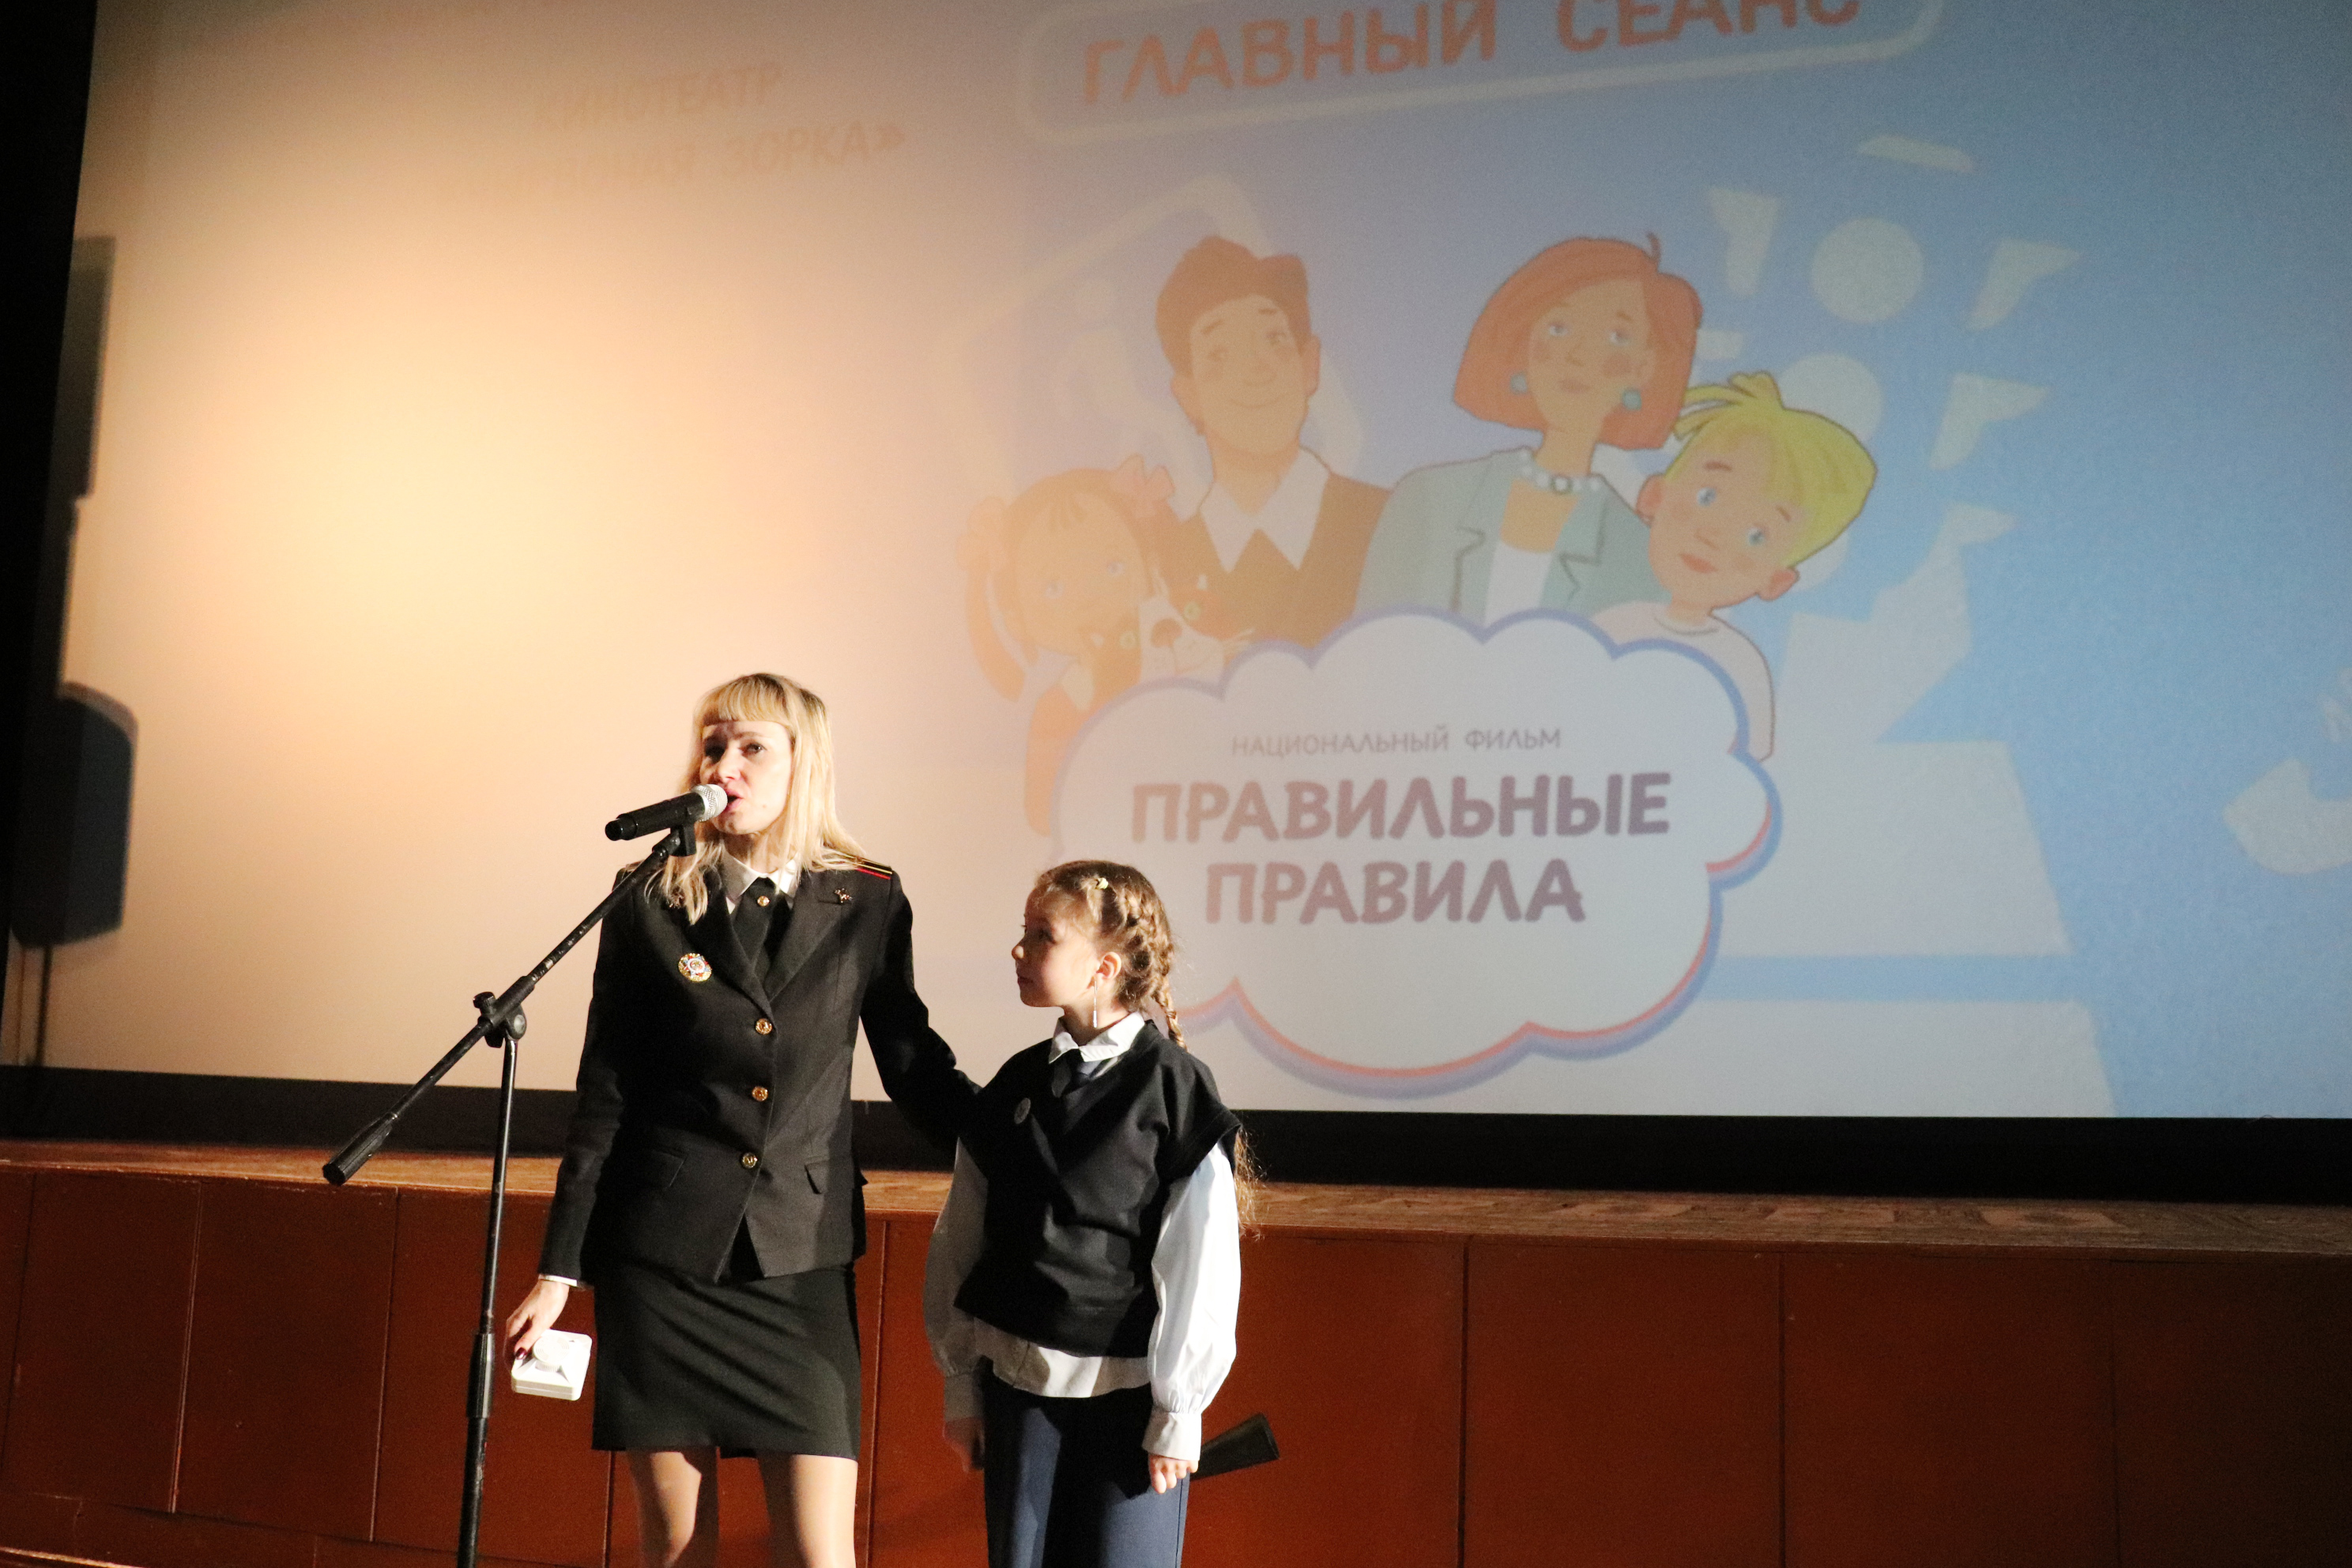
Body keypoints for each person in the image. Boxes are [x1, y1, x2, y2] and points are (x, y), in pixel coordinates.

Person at [505, 673, 977, 1568]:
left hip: (798, 1258)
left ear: (805, 764)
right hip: (661, 1256)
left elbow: (913, 1061)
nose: (724, 766)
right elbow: (606, 1092)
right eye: (713, 746)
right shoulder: (648, 895)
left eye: (753, 748)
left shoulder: (868, 897)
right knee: (678, 1547)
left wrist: (1019, 1148)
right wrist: (559, 1269)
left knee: (818, 1553)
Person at [924, 861, 1243, 1568]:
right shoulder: (1018, 1084)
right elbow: (962, 1234)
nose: (1019, 949)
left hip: (1128, 1407)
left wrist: (1178, 1411)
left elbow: (1200, 1263)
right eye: (1024, 931)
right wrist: (960, 1383)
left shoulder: (1173, 1091)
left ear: (1103, 968)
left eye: (1043, 935)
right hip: (1019, 1394)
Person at [1356, 236, 1699, 624]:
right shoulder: (1429, 497)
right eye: (1559, 327)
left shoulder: (1638, 554)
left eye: (1616, 336)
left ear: (1644, 367)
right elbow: (1366, 641)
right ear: (1526, 339)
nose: (1577, 354)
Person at [1592, 371, 1876, 760]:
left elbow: (1747, 766)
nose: (1714, 534)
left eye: (1757, 535)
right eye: (1707, 497)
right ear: (1655, 496)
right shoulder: (1612, 626)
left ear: (1776, 581)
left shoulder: (1739, 664)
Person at [1153, 236, 1388, 651]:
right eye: (1219, 354)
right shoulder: (1164, 568)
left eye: (1274, 339)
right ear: (1188, 396)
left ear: (1309, 363)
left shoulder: (1390, 521)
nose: (1255, 369)